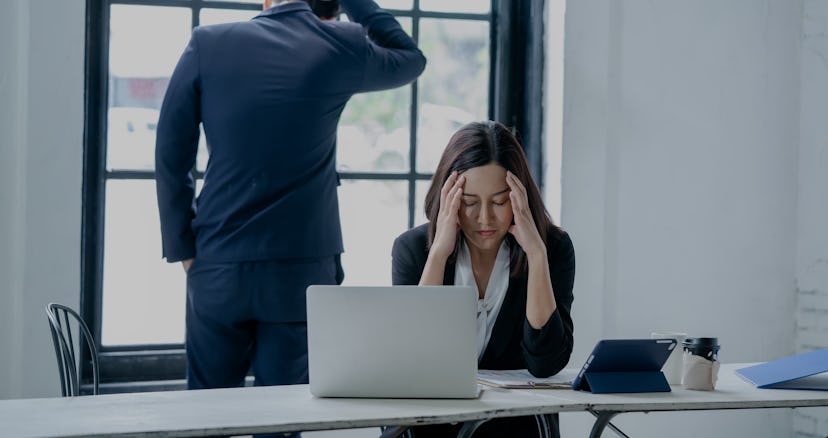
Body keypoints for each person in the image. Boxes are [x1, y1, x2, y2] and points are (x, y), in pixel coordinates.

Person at [154, 0, 426, 403]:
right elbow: (410, 59)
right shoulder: (339, 43)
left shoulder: (207, 43)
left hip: (218, 262)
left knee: (205, 414)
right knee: (284, 415)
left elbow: (171, 153)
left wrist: (182, 247)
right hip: (301, 271)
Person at [391, 121, 575, 437]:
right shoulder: (413, 250)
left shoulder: (553, 249)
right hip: (431, 423)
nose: (485, 218)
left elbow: (546, 363)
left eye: (500, 202)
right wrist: (437, 256)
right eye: (469, 203)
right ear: (447, 198)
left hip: (514, 426)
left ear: (520, 198)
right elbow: (412, 359)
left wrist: (536, 255)